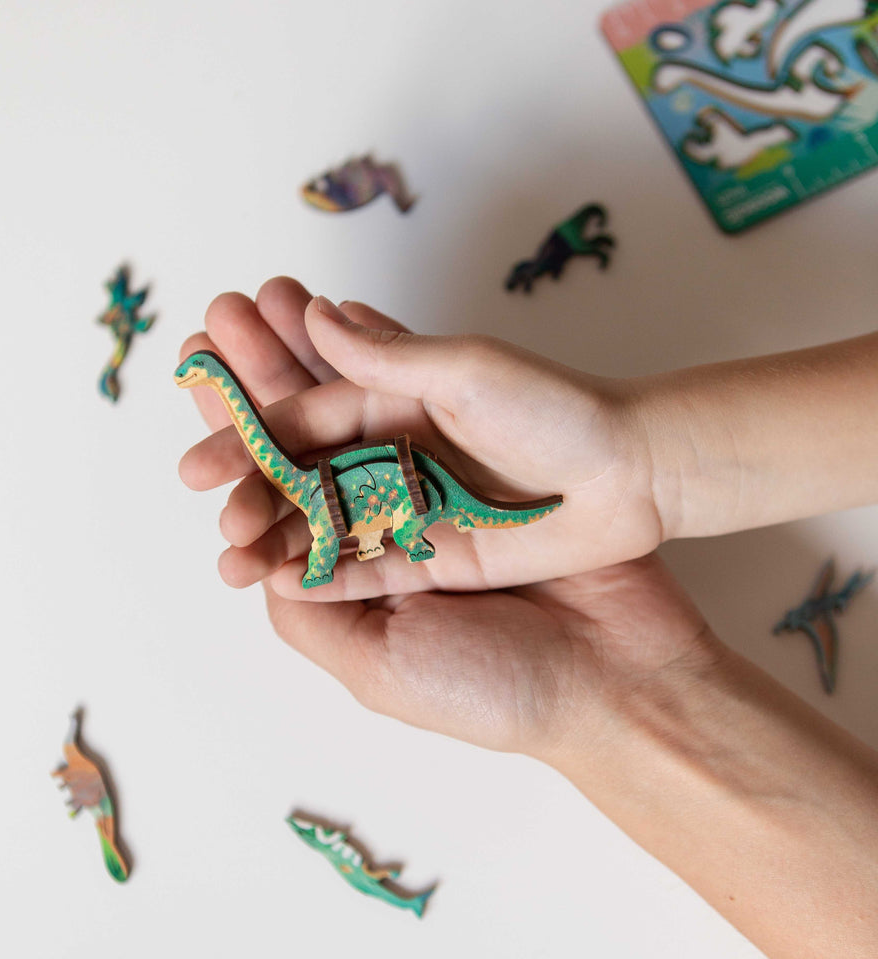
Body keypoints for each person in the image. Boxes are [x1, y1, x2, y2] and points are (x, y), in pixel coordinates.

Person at [178, 277, 878, 959]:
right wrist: (636, 473)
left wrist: (632, 479)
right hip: (395, 491)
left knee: (330, 533)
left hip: (403, 495)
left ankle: (409, 532)